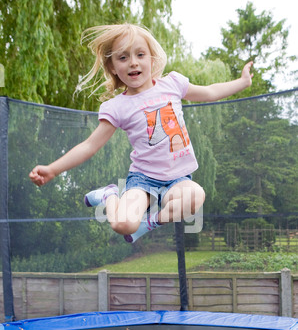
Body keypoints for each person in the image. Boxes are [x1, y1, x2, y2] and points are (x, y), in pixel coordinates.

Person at [29, 23, 253, 243]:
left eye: (140, 54)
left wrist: (242, 82)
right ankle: (109, 196)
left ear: (152, 59)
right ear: (113, 68)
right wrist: (52, 169)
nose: (133, 62)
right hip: (143, 179)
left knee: (196, 197)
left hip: (178, 179)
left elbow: (211, 91)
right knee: (122, 225)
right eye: (123, 57)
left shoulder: (172, 84)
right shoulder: (117, 107)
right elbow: (90, 145)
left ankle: (151, 222)